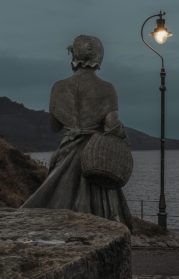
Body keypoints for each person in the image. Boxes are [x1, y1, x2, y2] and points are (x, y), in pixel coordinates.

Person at [22, 35, 132, 230]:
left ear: (74, 55)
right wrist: (123, 135)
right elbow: (111, 124)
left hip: (66, 154)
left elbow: (54, 126)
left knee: (56, 208)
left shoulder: (59, 87)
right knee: (100, 218)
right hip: (95, 156)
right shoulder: (107, 88)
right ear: (99, 57)